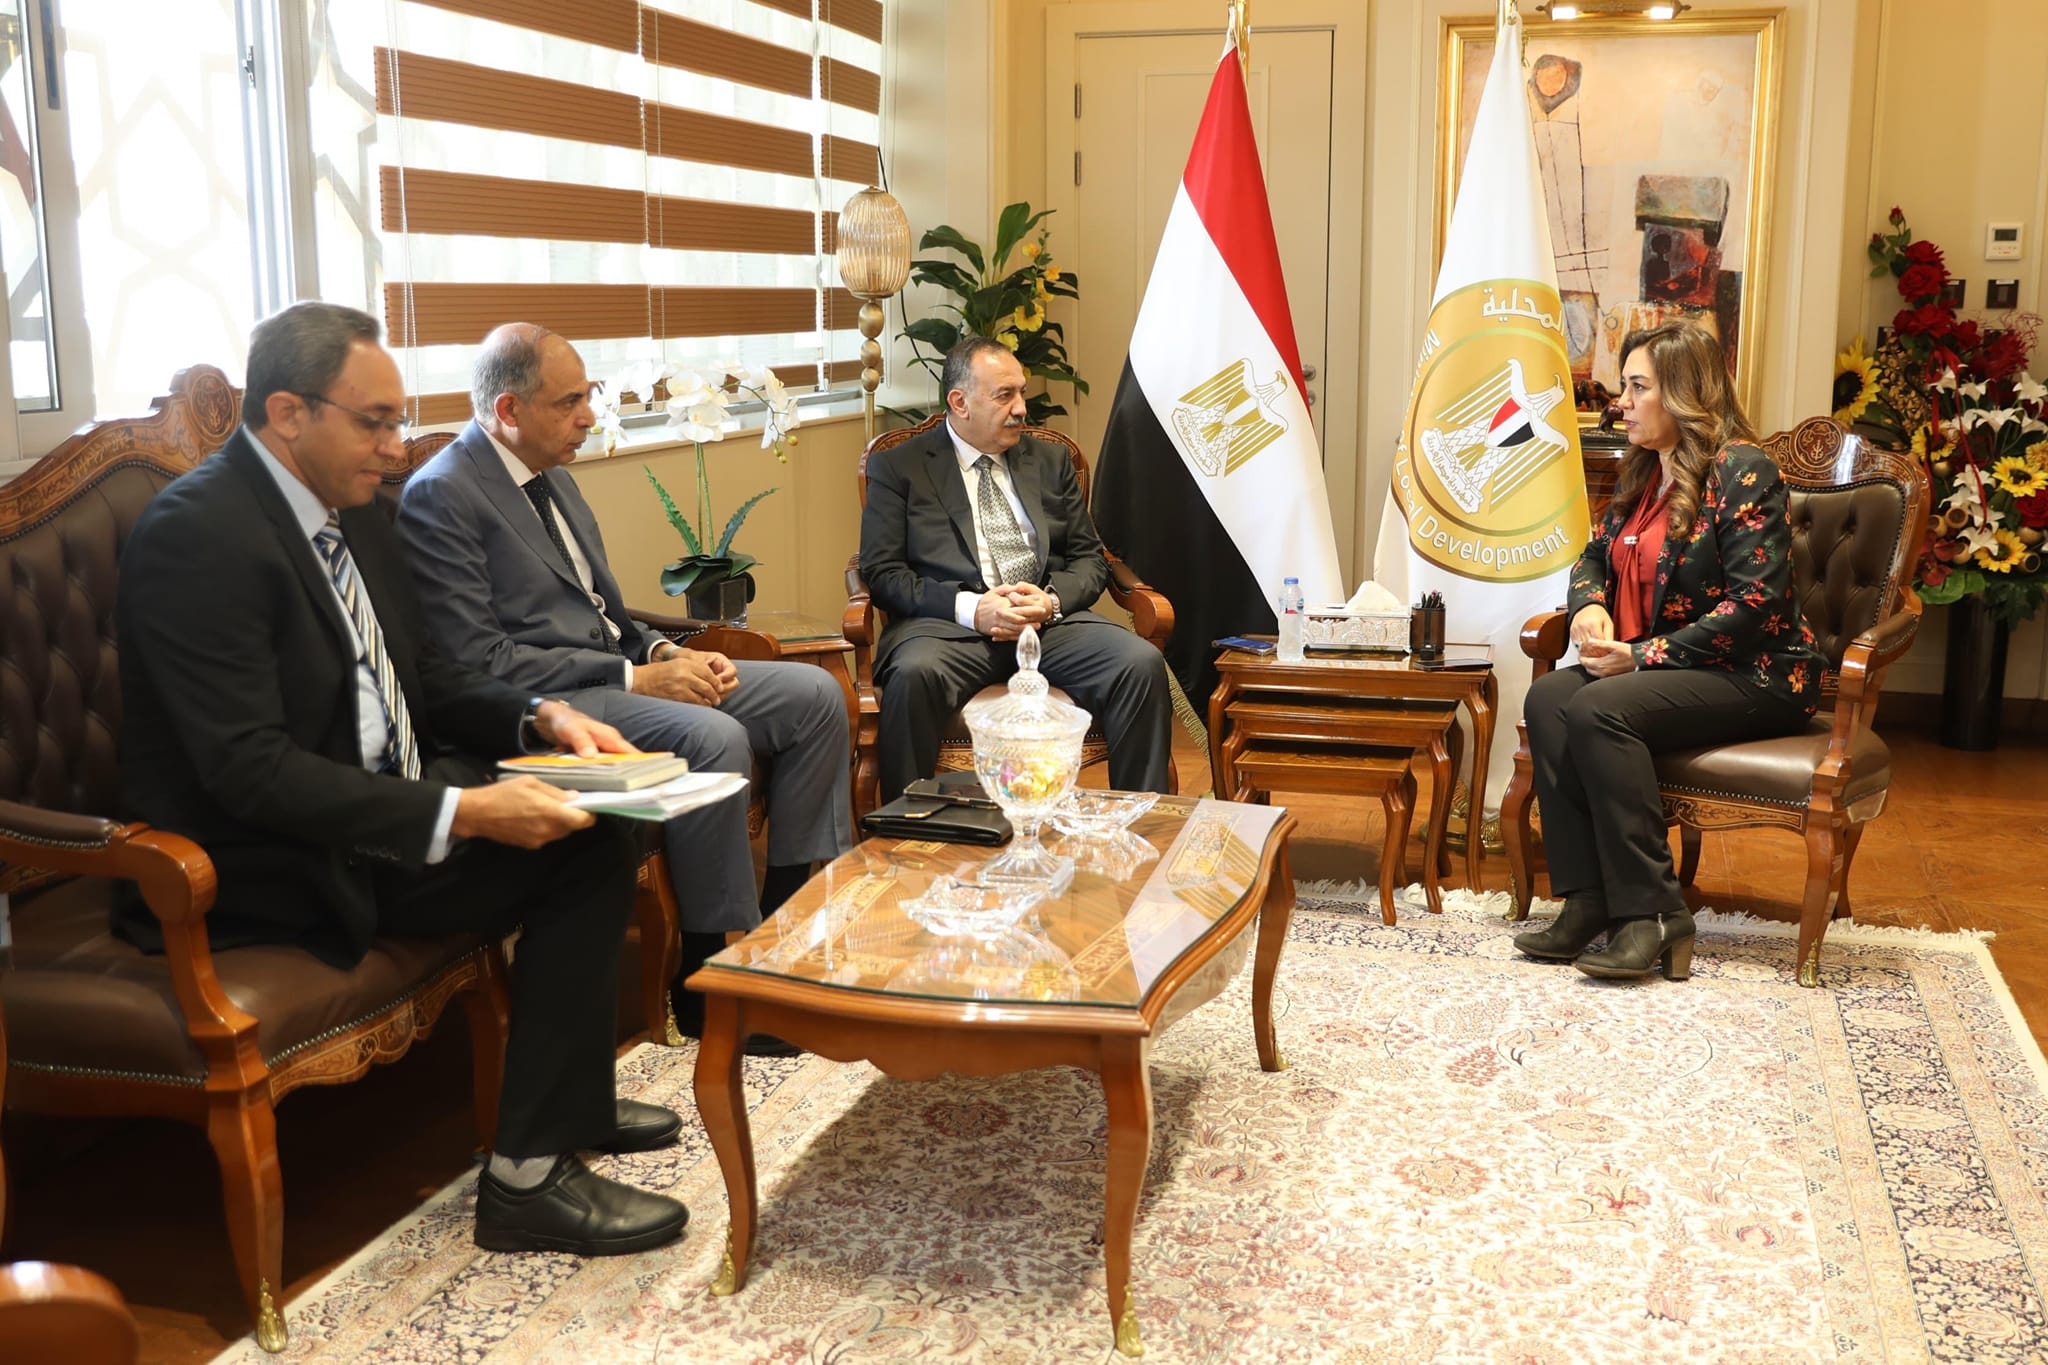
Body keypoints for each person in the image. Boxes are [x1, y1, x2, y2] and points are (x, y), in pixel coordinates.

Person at [116, 302, 687, 1256]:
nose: (396, 446)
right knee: (571, 844)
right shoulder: (199, 534)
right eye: (374, 422)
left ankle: (567, 1108)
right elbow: (250, 772)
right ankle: (525, 1185)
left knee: (593, 817)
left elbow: (426, 673)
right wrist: (464, 809)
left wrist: (538, 716)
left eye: (397, 420)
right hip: (268, 856)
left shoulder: (353, 510)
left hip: (380, 799)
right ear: (289, 413)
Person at [396, 324, 850, 1051]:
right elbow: (479, 661)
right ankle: (709, 978)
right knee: (715, 736)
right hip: (556, 705)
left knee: (813, 697)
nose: (588, 417)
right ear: (508, 410)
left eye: (588, 397)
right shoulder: (442, 495)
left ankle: (783, 938)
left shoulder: (554, 475)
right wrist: (638, 675)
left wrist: (668, 650)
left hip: (625, 670)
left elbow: (602, 612)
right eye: (568, 402)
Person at [1512, 320, 1823, 981]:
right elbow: (1592, 556)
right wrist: (1588, 604)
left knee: (1599, 708)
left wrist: (1642, 656)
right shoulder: (1643, 470)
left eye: (1638, 387)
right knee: (1549, 699)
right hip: (1676, 666)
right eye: (1624, 386)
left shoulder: (1742, 469)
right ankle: (1590, 900)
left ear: (1685, 393)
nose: (1621, 402)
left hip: (1757, 673)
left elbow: (1755, 604)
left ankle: (1653, 913)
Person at [859, 336, 1173, 801]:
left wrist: (1051, 601)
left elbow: (1090, 558)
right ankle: (908, 827)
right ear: (959, 402)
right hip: (949, 631)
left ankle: (1139, 819)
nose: (1021, 408)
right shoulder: (899, 467)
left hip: (1049, 626)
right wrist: (972, 609)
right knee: (912, 673)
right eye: (1005, 395)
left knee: (1139, 663)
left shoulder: (1049, 460)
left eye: (1021, 392)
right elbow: (884, 572)